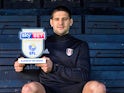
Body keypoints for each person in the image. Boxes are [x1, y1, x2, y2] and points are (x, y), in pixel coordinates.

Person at [14, 6, 106, 93]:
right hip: (48, 88)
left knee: (98, 87)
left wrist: (54, 68)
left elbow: (83, 76)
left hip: (76, 88)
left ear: (71, 22)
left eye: (64, 19)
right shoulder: (41, 43)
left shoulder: (80, 45)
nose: (60, 23)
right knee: (28, 88)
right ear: (51, 22)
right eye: (57, 19)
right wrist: (19, 65)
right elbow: (22, 61)